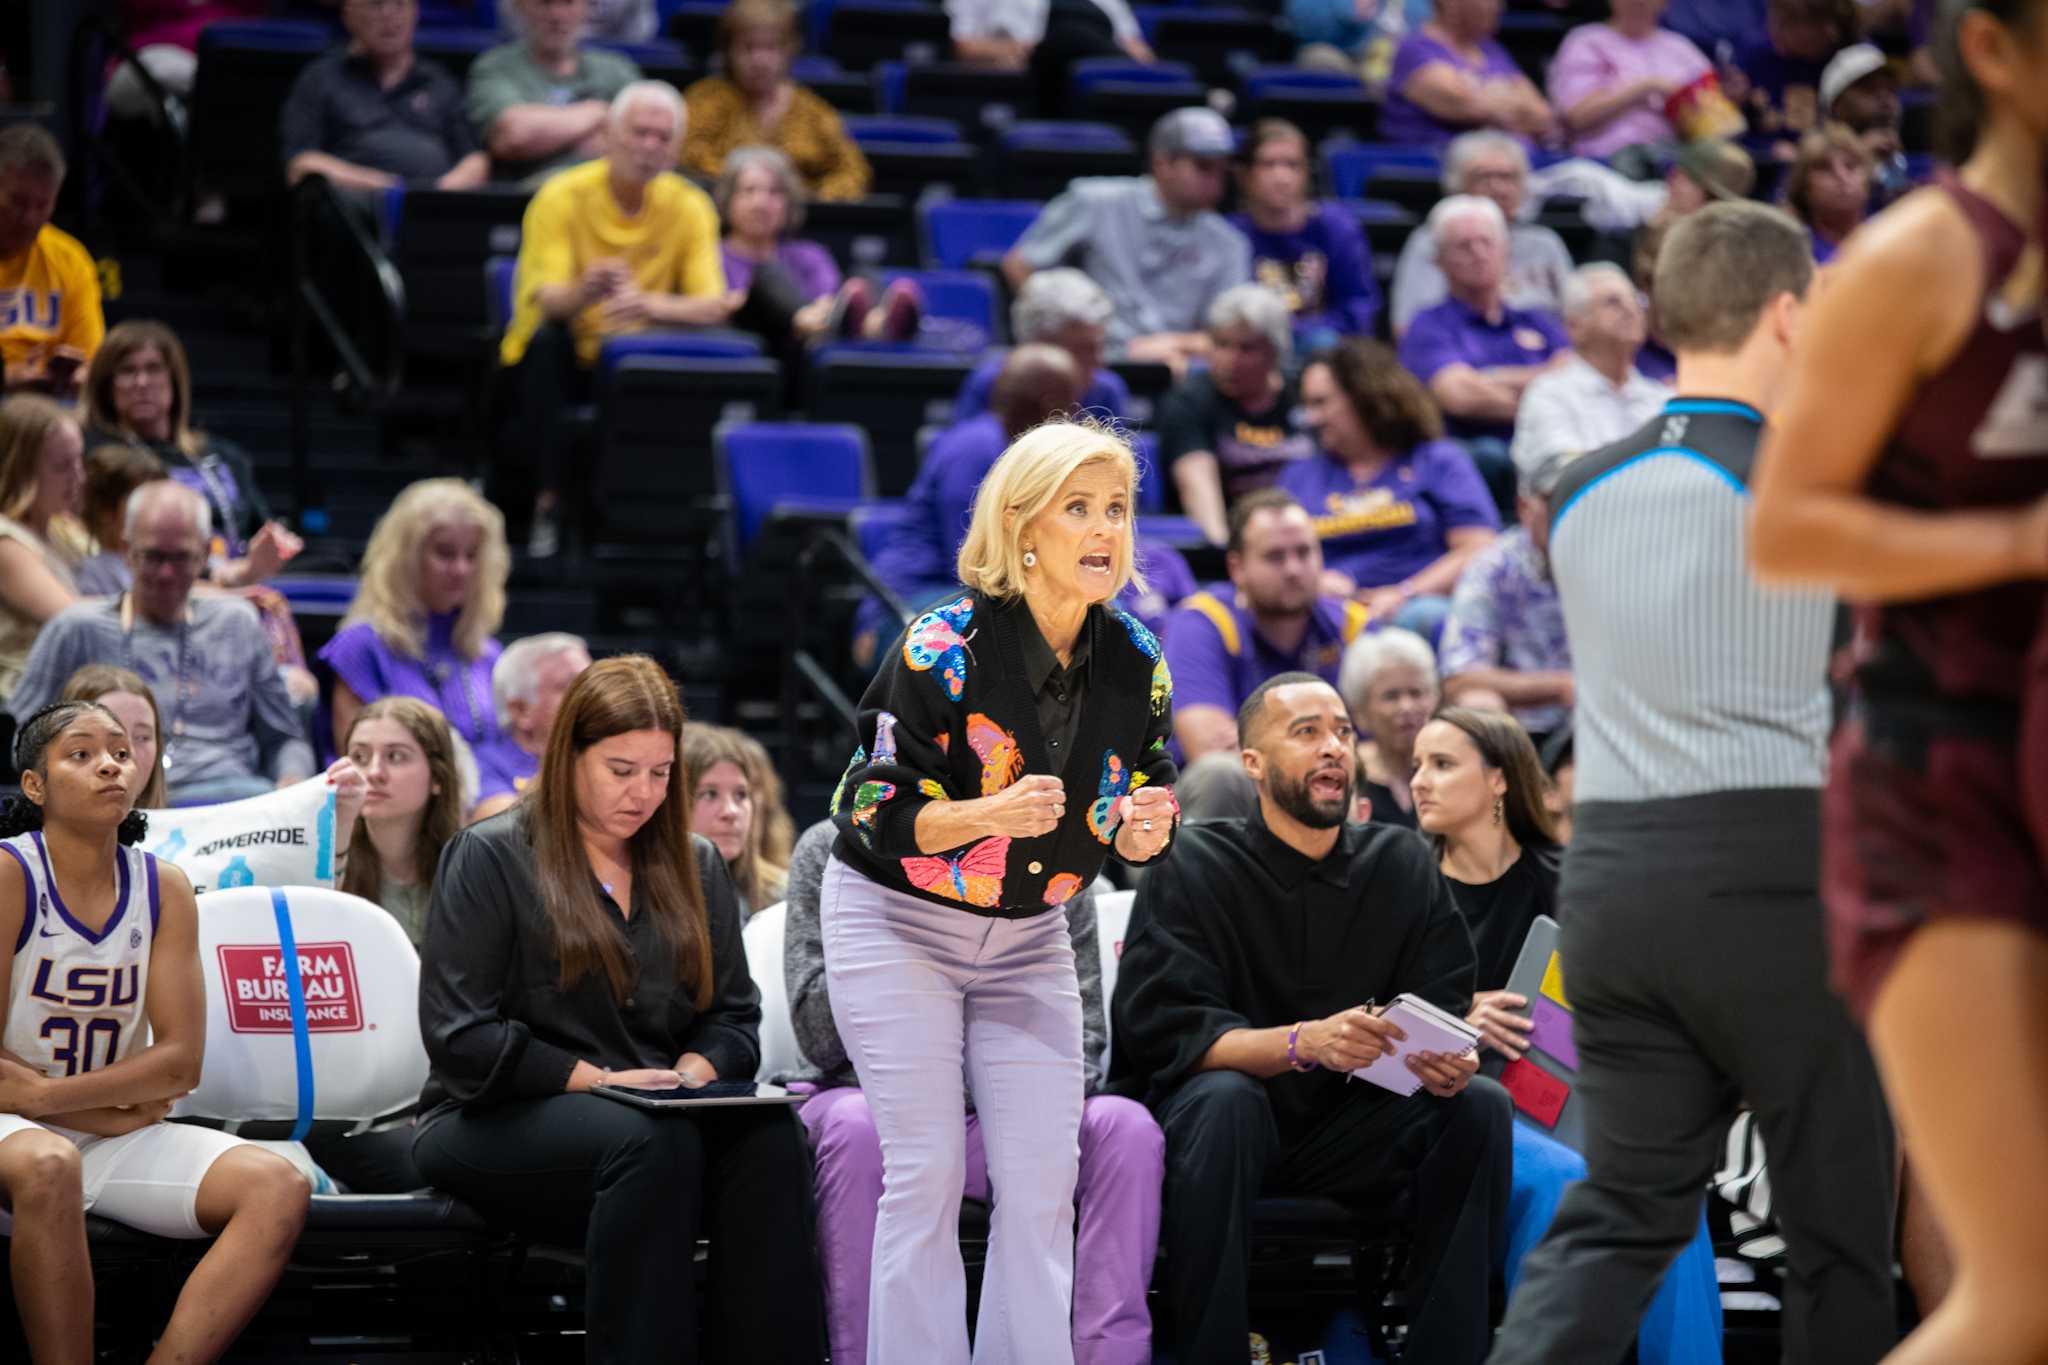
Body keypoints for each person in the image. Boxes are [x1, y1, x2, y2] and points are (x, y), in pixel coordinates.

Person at [1485, 201, 1897, 1365]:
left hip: (1609, 888)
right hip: (1771, 876)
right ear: (1783, 312)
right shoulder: (1812, 481)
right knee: (1837, 1244)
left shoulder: (1569, 490)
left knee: (1618, 1215)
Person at [1747, 0, 2048, 1354]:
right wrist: (2012, 539)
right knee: (2019, 1294)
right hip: (1941, 768)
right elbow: (1786, 526)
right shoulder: (1921, 257)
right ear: (1995, 51)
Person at [818, 420, 1179, 1362]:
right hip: (899, 921)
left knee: (1043, 1182)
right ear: (1022, 527)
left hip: (1029, 934)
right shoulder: (943, 645)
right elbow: (867, 806)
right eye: (1078, 508)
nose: (1104, 529)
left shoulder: (1137, 657)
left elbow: (1149, 776)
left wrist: (1151, 821)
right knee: (928, 1174)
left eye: (1117, 509)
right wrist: (987, 813)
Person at [414, 655, 824, 1362]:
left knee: (771, 1139)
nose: (643, 792)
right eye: (620, 769)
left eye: (660, 773)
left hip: (653, 1114)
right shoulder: (490, 856)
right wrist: (598, 1081)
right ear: (568, 754)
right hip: (486, 1117)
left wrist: (694, 1072)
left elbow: (732, 1019)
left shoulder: (695, 864)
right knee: (649, 1142)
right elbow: (462, 1038)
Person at [1110, 672, 1511, 1365]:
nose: (1333, 747)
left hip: (1349, 1129)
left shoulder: (1402, 861)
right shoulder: (1194, 861)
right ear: (1253, 764)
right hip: (1228, 1132)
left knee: (1478, 1105)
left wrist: (1448, 1062)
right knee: (1225, 1099)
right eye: (1307, 732)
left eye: (1342, 732)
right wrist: (1305, 1043)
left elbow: (1438, 1008)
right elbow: (1164, 1034)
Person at [783, 818, 1164, 1365]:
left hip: (1009, 1109)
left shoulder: (1055, 848)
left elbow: (1083, 1042)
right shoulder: (836, 845)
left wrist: (996, 1069)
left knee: (1124, 1129)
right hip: (872, 1095)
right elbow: (817, 1034)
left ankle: (1104, 1356)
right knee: (859, 1129)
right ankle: (863, 1352)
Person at [0, 702, 313, 1362]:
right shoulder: (10, 873)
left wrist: (53, 1101)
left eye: (119, 750)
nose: (110, 763)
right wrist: (106, 1108)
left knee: (278, 1185)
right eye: (80, 754)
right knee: (49, 1161)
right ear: (36, 785)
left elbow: (178, 1063)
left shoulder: (164, 887)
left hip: (93, 1127)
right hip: (21, 1133)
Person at [1411, 707, 1725, 1363]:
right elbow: (1366, 1013)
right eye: (1416, 765)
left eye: (1442, 764)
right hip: (1454, 1110)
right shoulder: (1402, 882)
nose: (1419, 781)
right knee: (1565, 1176)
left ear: (1499, 780)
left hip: (1577, 1102)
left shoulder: (1571, 880)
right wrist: (1457, 1017)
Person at [497, 81, 737, 556]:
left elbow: (713, 305)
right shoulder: (560, 195)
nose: (650, 147)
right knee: (547, 346)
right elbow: (546, 302)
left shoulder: (690, 204)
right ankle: (545, 505)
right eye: (639, 133)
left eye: (662, 137)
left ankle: (666, 530)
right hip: (563, 357)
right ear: (608, 135)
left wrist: (648, 305)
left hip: (639, 358)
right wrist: (587, 288)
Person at [860, 345, 1194, 664]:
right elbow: (978, 564)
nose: (1076, 415)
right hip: (913, 602)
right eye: (1073, 403)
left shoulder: (1030, 456)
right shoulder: (975, 450)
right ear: (1052, 407)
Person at [8, 481, 316, 806]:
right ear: (127, 551)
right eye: (153, 556)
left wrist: (292, 785)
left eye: (181, 557)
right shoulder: (76, 628)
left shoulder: (237, 623)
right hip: (115, 803)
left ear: (204, 554)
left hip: (232, 802)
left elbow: (285, 738)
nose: (166, 573)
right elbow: (24, 744)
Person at [1004, 108, 1252, 373]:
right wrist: (1067, 339)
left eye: (1221, 169)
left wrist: (1169, 344)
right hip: (1093, 362)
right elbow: (1020, 265)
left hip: (1180, 369)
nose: (1214, 180)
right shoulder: (1096, 202)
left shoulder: (1230, 243)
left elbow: (1230, 331)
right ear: (1162, 163)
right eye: (1203, 166)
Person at [1284, 338, 1501, 638]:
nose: (1311, 418)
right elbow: (1272, 556)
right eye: (1307, 405)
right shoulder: (1298, 477)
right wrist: (1313, 582)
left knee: (1427, 617)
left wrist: (1405, 593)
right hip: (1328, 613)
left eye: (1321, 403)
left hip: (1415, 609)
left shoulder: (1437, 460)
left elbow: (1479, 548)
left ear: (1366, 397)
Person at [80, 321, 303, 587]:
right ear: (108, 386)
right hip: (166, 581)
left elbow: (261, 528)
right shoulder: (102, 457)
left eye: (153, 369)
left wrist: (273, 545)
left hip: (244, 573)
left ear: (174, 381)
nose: (141, 382)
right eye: (127, 371)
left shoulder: (223, 455)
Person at [1165, 489, 1372, 769]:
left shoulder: (1351, 625)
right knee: (1219, 772)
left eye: (1304, 552)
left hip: (1326, 791)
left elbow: (1385, 744)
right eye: (1275, 556)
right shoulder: (1203, 622)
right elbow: (1210, 749)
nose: (1293, 569)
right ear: (1236, 568)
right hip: (1228, 804)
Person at [320, 478, 510, 755]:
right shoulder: (359, 649)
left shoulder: (487, 654)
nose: (461, 569)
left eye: (471, 555)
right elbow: (359, 770)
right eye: (445, 553)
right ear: (404, 558)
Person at [1398, 196, 1571, 462]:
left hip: (1550, 445)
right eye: (1464, 246)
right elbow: (1460, 397)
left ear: (1505, 252)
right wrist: (1544, 384)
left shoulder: (1536, 320)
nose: (1478, 254)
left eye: (1486, 242)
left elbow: (1573, 376)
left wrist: (1490, 376)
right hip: (1480, 453)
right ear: (1439, 260)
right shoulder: (1427, 326)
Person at [1157, 284, 1316, 545]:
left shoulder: (1304, 393)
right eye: (1221, 345)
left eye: (1247, 348)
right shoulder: (1188, 401)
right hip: (1238, 542)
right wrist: (1226, 552)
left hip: (1307, 536)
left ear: (1275, 351)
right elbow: (1197, 488)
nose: (1230, 360)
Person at [716, 146, 920, 347]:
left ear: (789, 203)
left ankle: (879, 323)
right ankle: (853, 327)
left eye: (774, 192)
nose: (760, 203)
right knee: (766, 275)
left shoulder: (809, 254)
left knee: (864, 275)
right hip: (759, 340)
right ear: (728, 199)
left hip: (811, 349)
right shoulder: (710, 255)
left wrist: (828, 309)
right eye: (749, 191)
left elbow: (830, 298)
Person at [279, 0, 488, 195]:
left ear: (414, 13)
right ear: (348, 14)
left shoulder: (439, 81)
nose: (388, 15)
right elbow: (301, 165)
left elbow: (475, 160)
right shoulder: (321, 79)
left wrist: (436, 196)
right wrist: (386, 189)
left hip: (433, 213)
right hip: (353, 213)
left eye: (399, 3)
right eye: (375, 3)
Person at [1439, 450, 1576, 740]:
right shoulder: (1494, 566)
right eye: (1557, 502)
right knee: (1478, 703)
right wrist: (1561, 687)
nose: (1570, 512)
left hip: (1602, 719)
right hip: (1520, 730)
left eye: (1579, 499)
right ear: (1525, 507)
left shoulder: (1615, 560)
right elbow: (1459, 678)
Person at [682, 0, 871, 201]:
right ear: (729, 51)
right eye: (748, 47)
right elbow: (685, 157)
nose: (759, 60)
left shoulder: (814, 112)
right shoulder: (704, 101)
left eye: (770, 47)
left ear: (789, 50)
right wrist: (748, 183)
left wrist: (815, 197)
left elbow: (853, 171)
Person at [1391, 131, 1575, 336]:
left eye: (1508, 177)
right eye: (1483, 177)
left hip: (1544, 355)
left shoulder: (1545, 244)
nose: (1497, 188)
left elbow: (1576, 322)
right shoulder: (1431, 241)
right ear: (1457, 185)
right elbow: (1407, 328)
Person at [1225, 120, 1381, 351]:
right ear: (1244, 175)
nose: (1281, 177)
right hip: (1253, 351)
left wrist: (1304, 333)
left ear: (1306, 172)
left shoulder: (1336, 228)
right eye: (1268, 165)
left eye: (1292, 165)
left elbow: (1358, 309)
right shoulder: (1230, 235)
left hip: (1327, 351)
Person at [1510, 263, 1672, 479]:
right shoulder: (1548, 395)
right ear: (1574, 327)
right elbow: (1562, 480)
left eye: (1636, 299)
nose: (1631, 310)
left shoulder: (1662, 399)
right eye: (1612, 302)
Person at [334, 696, 466, 948]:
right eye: (359, 757)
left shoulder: (469, 868)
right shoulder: (327, 866)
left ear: (438, 777)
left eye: (395, 756)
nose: (373, 773)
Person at [466, 0, 643, 184]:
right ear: (520, 7)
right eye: (544, 3)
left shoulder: (618, 69)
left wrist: (545, 135)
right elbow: (515, 135)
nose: (557, 15)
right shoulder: (495, 66)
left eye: (568, 3)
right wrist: (600, 112)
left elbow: (644, 138)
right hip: (524, 198)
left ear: (587, 7)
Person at [949, 269, 1132, 424]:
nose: (1099, 362)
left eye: (1099, 347)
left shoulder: (1106, 390)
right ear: (1037, 346)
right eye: (1082, 349)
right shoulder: (990, 383)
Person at [0, 125, 103, 398]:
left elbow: (92, 360)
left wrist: (76, 374)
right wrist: (7, 377)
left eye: (42, 205)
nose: (29, 218)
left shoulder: (70, 259)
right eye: (18, 202)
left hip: (49, 409)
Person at [1550, 0, 1717, 158]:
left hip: (1674, 162)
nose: (1638, 1)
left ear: (1664, 2)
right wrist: (1646, 87)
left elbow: (1716, 124)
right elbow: (1577, 118)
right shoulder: (1585, 40)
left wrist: (1682, 103)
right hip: (1601, 163)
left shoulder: (1682, 49)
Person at [0, 396, 84, 707]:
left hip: (72, 691)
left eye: (79, 460)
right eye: (63, 466)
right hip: (26, 706)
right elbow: (73, 617)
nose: (79, 477)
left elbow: (126, 586)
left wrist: (231, 585)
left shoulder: (64, 532)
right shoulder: (6, 542)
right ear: (21, 470)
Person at [1380, 0, 1556, 147]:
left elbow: (1541, 116)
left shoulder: (1492, 50)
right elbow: (1468, 106)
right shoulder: (1415, 49)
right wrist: (1505, 93)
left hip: (1511, 163)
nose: (1497, 7)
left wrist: (1478, 90)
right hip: (1438, 170)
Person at [945, 0, 1156, 108]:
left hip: (1092, 85)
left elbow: (1141, 53)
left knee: (1077, 36)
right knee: (1068, 37)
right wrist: (1012, 49)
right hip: (1028, 77)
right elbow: (958, 44)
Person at [473, 630, 592, 819]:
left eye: (590, 684)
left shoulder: (601, 751)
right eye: (570, 686)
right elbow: (499, 827)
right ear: (521, 710)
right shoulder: (481, 766)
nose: (591, 696)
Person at [1337, 625, 1439, 827]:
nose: (1407, 707)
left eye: (1416, 693)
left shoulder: (1453, 770)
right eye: (1391, 696)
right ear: (1360, 712)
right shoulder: (1347, 776)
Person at [681, 724, 785, 915]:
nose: (731, 812)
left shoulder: (782, 899)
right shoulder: (636, 895)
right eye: (710, 794)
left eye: (741, 794)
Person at [1723, 0, 1854, 150]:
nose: (1832, 33)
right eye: (1774, 17)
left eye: (1790, 21)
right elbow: (1731, 132)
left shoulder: (1843, 59)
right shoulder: (1751, 53)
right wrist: (1766, 147)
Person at [58, 664, 168, 810]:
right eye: (109, 737)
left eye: (142, 737)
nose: (131, 753)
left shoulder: (181, 829)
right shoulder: (30, 833)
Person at [1817, 42, 1908, 200]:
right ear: (1836, 107)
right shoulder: (1816, 168)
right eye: (1869, 89)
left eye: (1890, 89)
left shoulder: (1909, 165)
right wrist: (1859, 161)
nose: (1885, 98)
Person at [76, 443, 165, 597]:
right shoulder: (94, 573)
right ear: (105, 511)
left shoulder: (162, 558)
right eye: (143, 502)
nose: (157, 512)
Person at [1783, 121, 1875, 262]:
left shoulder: (1892, 237)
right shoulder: (1792, 250)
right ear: (1804, 187)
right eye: (1824, 168)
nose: (1842, 177)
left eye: (1850, 166)